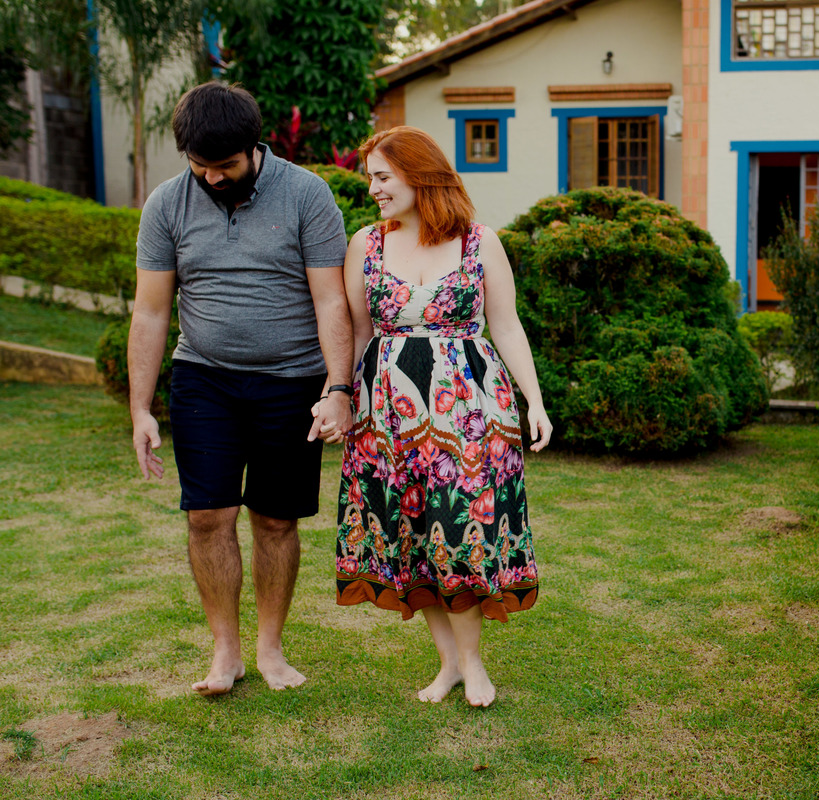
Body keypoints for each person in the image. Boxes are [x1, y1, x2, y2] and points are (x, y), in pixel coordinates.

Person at [128, 82, 353, 696]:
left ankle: (270, 649)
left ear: (255, 147)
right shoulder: (166, 205)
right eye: (200, 166)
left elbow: (331, 297)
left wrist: (339, 388)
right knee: (208, 517)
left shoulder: (307, 194)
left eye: (225, 166)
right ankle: (224, 653)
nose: (212, 178)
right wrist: (140, 407)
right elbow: (150, 312)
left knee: (277, 520)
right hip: (204, 378)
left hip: (293, 381)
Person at [319, 126, 550, 708]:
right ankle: (449, 664)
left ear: (419, 175)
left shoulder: (480, 242)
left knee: (460, 530)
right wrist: (338, 394)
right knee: (413, 533)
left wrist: (535, 400)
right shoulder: (364, 245)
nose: (372, 187)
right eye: (370, 176)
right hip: (388, 414)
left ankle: (473, 666)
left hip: (470, 411)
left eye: (382, 177)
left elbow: (507, 325)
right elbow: (358, 331)